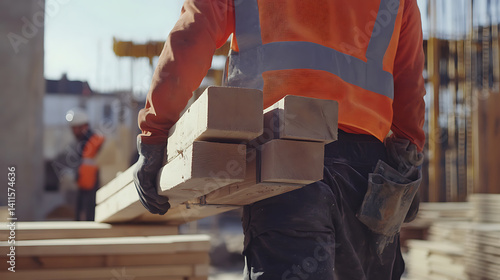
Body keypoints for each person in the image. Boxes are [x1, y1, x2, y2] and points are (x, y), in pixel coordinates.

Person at [133, 0, 426, 279]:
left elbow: (192, 37)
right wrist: (408, 156)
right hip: (367, 172)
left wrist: (155, 133)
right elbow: (409, 77)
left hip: (283, 157)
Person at [66, 108, 105, 221]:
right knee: (80, 215)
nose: (73, 132)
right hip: (84, 185)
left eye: (75, 128)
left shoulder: (95, 140)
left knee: (90, 216)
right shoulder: (82, 142)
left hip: (94, 187)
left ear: (84, 127)